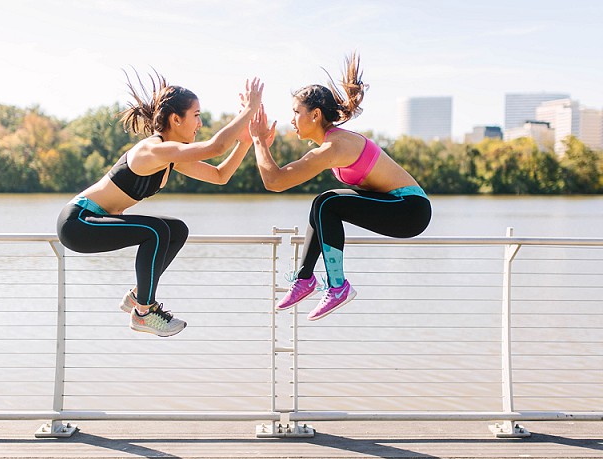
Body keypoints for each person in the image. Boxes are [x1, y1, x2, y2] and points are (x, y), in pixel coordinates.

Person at [57, 71, 263, 337]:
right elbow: (215, 147)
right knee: (156, 230)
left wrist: (245, 142)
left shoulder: (171, 156)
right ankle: (144, 312)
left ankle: (137, 297)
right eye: (196, 115)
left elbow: (219, 175)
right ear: (176, 119)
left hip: (92, 222)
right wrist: (248, 110)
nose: (199, 123)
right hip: (79, 222)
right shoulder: (153, 150)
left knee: (176, 229)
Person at [249, 52, 431, 321]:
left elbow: (274, 182)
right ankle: (305, 279)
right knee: (321, 206)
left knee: (326, 202)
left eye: (296, 112)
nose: (292, 119)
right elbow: (276, 180)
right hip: (399, 207)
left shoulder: (334, 147)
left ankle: (337, 286)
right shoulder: (332, 145)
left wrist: (259, 141)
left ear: (315, 115)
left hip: (410, 210)